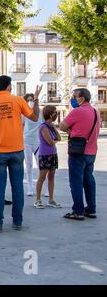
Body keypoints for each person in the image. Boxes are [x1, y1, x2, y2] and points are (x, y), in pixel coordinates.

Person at [0, 76, 41, 232]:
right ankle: (17, 221)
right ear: (9, 86)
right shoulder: (18, 101)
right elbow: (33, 117)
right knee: (18, 186)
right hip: (17, 150)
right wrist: (37, 100)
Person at [60, 88, 101, 220]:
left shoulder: (77, 111)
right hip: (92, 151)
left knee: (76, 181)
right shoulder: (96, 112)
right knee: (89, 180)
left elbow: (62, 126)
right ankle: (91, 209)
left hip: (78, 152)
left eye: (75, 96)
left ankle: (78, 211)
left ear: (82, 98)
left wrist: (71, 129)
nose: (73, 99)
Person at [35, 106, 62, 209]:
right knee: (42, 177)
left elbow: (59, 137)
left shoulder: (50, 126)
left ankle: (51, 200)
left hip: (53, 154)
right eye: (55, 113)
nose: (56, 115)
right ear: (50, 114)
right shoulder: (43, 127)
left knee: (51, 177)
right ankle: (38, 200)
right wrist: (55, 141)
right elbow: (50, 142)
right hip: (45, 155)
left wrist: (54, 127)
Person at [22, 93, 48, 197]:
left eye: (32, 99)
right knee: (29, 165)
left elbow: (45, 125)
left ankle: (45, 188)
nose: (30, 101)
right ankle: (30, 187)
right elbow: (21, 126)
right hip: (27, 141)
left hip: (38, 142)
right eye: (28, 100)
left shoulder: (41, 112)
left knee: (41, 166)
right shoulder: (23, 113)